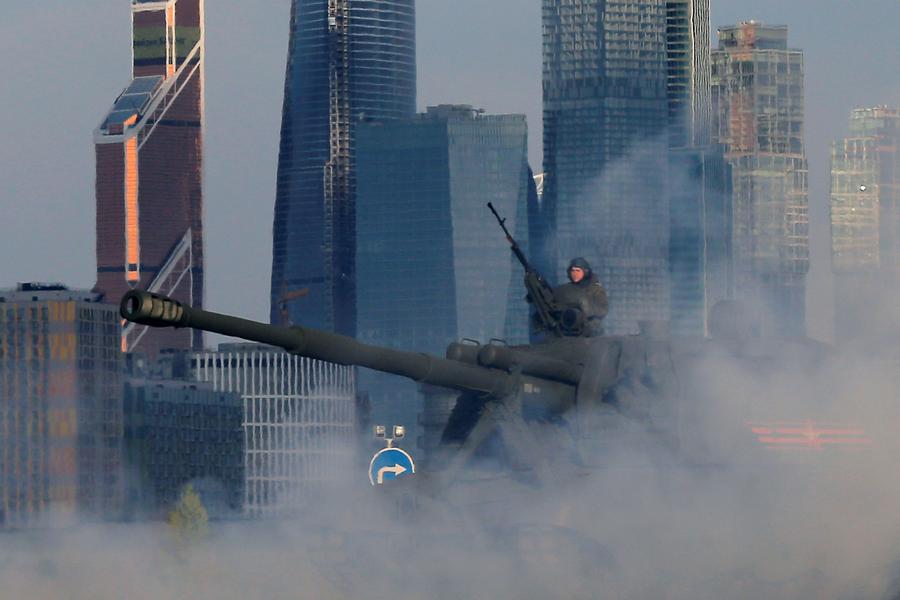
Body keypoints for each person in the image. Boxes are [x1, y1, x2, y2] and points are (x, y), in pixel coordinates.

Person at [553, 257, 608, 336]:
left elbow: (603, 310)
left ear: (585, 272)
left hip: (590, 333)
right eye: (573, 270)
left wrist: (587, 307)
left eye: (578, 270)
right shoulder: (565, 290)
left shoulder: (595, 290)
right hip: (567, 331)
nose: (575, 273)